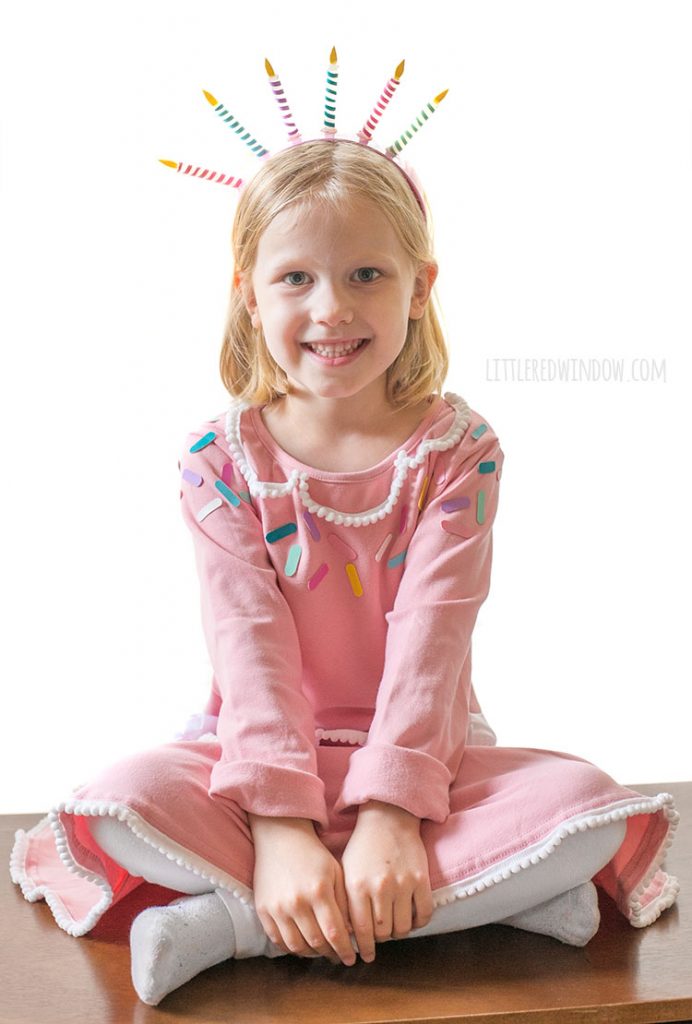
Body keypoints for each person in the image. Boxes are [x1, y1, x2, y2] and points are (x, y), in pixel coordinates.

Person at [10, 138, 680, 1007]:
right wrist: (282, 828)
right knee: (119, 799)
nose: (332, 309)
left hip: (423, 760)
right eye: (296, 279)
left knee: (585, 806)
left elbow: (432, 644)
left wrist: (394, 815)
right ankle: (485, 902)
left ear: (420, 287)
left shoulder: (457, 453)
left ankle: (235, 928)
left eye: (367, 274)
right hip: (255, 758)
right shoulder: (221, 460)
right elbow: (250, 651)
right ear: (247, 295)